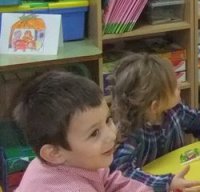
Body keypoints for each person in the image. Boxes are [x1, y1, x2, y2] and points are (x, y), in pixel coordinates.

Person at [110, 53, 200, 192]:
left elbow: (199, 121)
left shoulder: (174, 110)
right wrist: (166, 183)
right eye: (174, 87)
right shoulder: (129, 132)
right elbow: (123, 174)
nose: (180, 86)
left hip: (179, 179)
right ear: (155, 106)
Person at [12, 70, 151, 191]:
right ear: (54, 153)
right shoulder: (73, 188)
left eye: (108, 120)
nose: (111, 135)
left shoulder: (81, 161)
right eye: (94, 133)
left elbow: (108, 180)